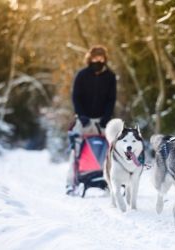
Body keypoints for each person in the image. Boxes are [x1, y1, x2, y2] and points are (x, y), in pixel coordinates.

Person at [66, 45, 117, 195]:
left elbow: (111, 99)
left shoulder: (110, 77)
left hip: (103, 120)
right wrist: (81, 116)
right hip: (84, 120)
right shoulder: (81, 75)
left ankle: (109, 181)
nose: (98, 60)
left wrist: (106, 118)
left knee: (109, 151)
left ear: (105, 59)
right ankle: (71, 183)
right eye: (95, 58)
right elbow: (76, 97)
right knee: (76, 151)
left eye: (100, 58)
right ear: (90, 58)